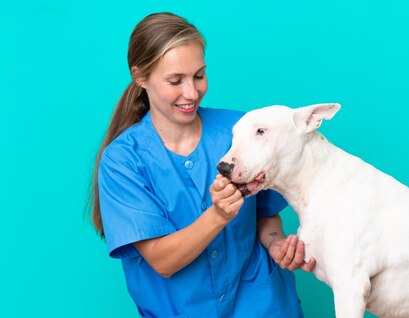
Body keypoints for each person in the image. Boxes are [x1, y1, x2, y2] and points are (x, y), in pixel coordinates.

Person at [88, 12, 315, 318]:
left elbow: (266, 213)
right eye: (175, 80)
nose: (192, 92)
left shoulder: (242, 130)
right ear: (140, 77)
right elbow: (162, 261)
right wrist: (219, 214)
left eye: (198, 75)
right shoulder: (123, 161)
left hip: (265, 307)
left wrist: (275, 245)